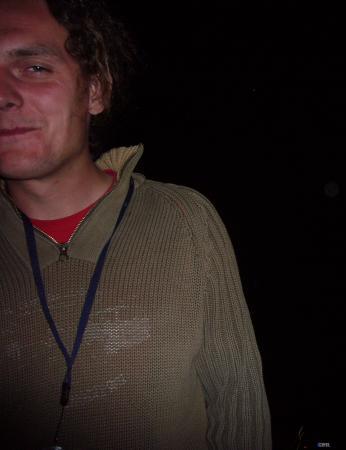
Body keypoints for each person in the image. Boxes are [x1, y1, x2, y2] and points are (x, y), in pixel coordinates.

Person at [0, 0, 272, 448]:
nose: (4, 94)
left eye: (34, 67)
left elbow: (239, 410)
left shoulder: (184, 219)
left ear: (95, 91)